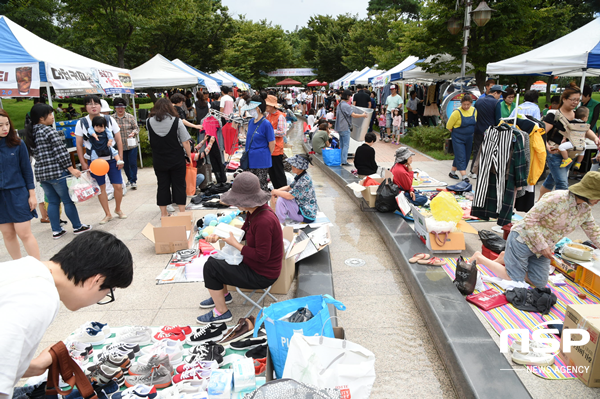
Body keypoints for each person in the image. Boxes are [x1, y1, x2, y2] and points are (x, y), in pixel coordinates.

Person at [0, 231, 134, 398]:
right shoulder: (38, 297)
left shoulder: (24, 269)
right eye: (109, 291)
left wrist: (34, 367)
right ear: (97, 280)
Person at [470, 172, 600, 288]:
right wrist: (542, 246)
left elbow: (594, 232)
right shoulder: (556, 198)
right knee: (515, 280)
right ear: (587, 193)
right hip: (523, 239)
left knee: (539, 283)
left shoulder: (585, 209)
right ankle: (480, 258)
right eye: (597, 196)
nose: (598, 201)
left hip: (544, 248)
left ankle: (506, 258)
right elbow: (529, 221)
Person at [197, 172, 283, 323]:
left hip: (262, 275)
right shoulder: (255, 211)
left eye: (237, 200)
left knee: (211, 267)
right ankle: (223, 296)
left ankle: (222, 312)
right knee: (215, 260)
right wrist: (220, 234)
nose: (235, 203)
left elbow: (262, 256)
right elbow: (242, 232)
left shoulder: (263, 220)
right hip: (257, 266)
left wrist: (235, 244)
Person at [27, 104, 91, 240]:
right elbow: (61, 153)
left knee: (52, 201)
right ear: (41, 118)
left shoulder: (31, 133)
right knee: (68, 201)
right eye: (50, 114)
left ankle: (56, 230)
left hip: (42, 174)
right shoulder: (49, 131)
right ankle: (77, 226)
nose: (52, 116)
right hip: (56, 172)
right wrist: (71, 168)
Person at [539, 84, 600, 200]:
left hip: (571, 154)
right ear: (564, 99)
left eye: (578, 100)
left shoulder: (577, 114)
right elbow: (542, 132)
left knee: (550, 181)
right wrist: (546, 146)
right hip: (555, 154)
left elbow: (585, 129)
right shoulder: (554, 115)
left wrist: (595, 139)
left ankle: (538, 204)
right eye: (573, 99)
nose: (576, 102)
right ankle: (561, 211)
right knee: (562, 184)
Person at [75, 95, 126, 224]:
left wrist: (120, 157)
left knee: (118, 186)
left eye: (96, 103)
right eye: (89, 104)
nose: (93, 106)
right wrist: (83, 163)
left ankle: (118, 209)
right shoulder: (82, 123)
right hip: (95, 161)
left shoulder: (109, 119)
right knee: (101, 188)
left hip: (112, 159)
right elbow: (79, 144)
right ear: (85, 107)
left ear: (100, 105)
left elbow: (118, 139)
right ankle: (107, 214)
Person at [0, 109, 40, 260]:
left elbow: (27, 171)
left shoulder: (17, 144)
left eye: (6, 124)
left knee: (24, 233)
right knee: (8, 234)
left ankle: (38, 267)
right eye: (0, 125)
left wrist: (32, 194)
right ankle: (18, 266)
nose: (5, 128)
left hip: (17, 193)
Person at [147, 98, 192, 217]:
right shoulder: (177, 121)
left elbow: (151, 139)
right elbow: (185, 141)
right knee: (179, 184)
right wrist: (189, 156)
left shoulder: (148, 121)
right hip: (176, 158)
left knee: (162, 185)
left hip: (159, 159)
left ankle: (163, 214)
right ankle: (182, 212)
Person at [271, 154, 318, 224]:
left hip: (306, 215)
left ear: (301, 168)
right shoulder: (301, 176)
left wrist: (275, 192)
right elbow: (289, 187)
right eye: (293, 164)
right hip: (302, 208)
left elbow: (289, 196)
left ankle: (279, 223)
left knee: (281, 199)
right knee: (281, 196)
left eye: (295, 165)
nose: (292, 166)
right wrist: (275, 191)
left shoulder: (304, 180)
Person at [242, 95, 275, 192]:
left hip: (261, 160)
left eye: (250, 109)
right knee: (250, 185)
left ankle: (262, 206)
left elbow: (271, 144)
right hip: (250, 159)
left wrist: (264, 154)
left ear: (257, 108)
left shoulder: (266, 124)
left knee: (261, 186)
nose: (248, 112)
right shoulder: (251, 121)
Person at [471, 84, 503, 177]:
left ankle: (473, 170)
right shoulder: (496, 103)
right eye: (500, 94)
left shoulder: (478, 101)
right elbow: (498, 120)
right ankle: (481, 171)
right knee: (487, 151)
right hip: (490, 131)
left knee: (476, 150)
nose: (500, 96)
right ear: (496, 93)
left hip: (478, 129)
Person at [446, 94, 477, 183]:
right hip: (458, 137)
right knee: (461, 155)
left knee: (466, 156)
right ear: (461, 104)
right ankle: (464, 176)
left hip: (469, 137)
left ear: (471, 103)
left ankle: (452, 172)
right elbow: (449, 126)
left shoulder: (474, 111)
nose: (466, 106)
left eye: (468, 104)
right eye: (464, 104)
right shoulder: (457, 112)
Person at [335, 89, 368, 165]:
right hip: (345, 127)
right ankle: (344, 161)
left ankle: (341, 159)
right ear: (347, 96)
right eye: (350, 96)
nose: (350, 98)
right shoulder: (346, 106)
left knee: (342, 145)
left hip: (339, 127)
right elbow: (353, 115)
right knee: (346, 145)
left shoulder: (339, 105)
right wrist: (363, 115)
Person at [112, 97, 139, 189]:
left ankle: (133, 180)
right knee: (125, 163)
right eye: (118, 107)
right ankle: (129, 179)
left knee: (132, 162)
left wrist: (133, 133)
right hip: (120, 146)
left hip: (131, 144)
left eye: (122, 107)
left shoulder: (130, 117)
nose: (120, 109)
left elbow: (136, 128)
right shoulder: (112, 118)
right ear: (115, 108)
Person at [265, 95, 288, 189]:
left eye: (266, 106)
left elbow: (282, 132)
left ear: (271, 106)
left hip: (277, 148)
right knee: (272, 173)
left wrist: (269, 131)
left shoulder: (280, 116)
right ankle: (277, 192)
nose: (265, 107)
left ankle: (283, 193)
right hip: (269, 148)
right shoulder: (268, 116)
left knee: (279, 172)